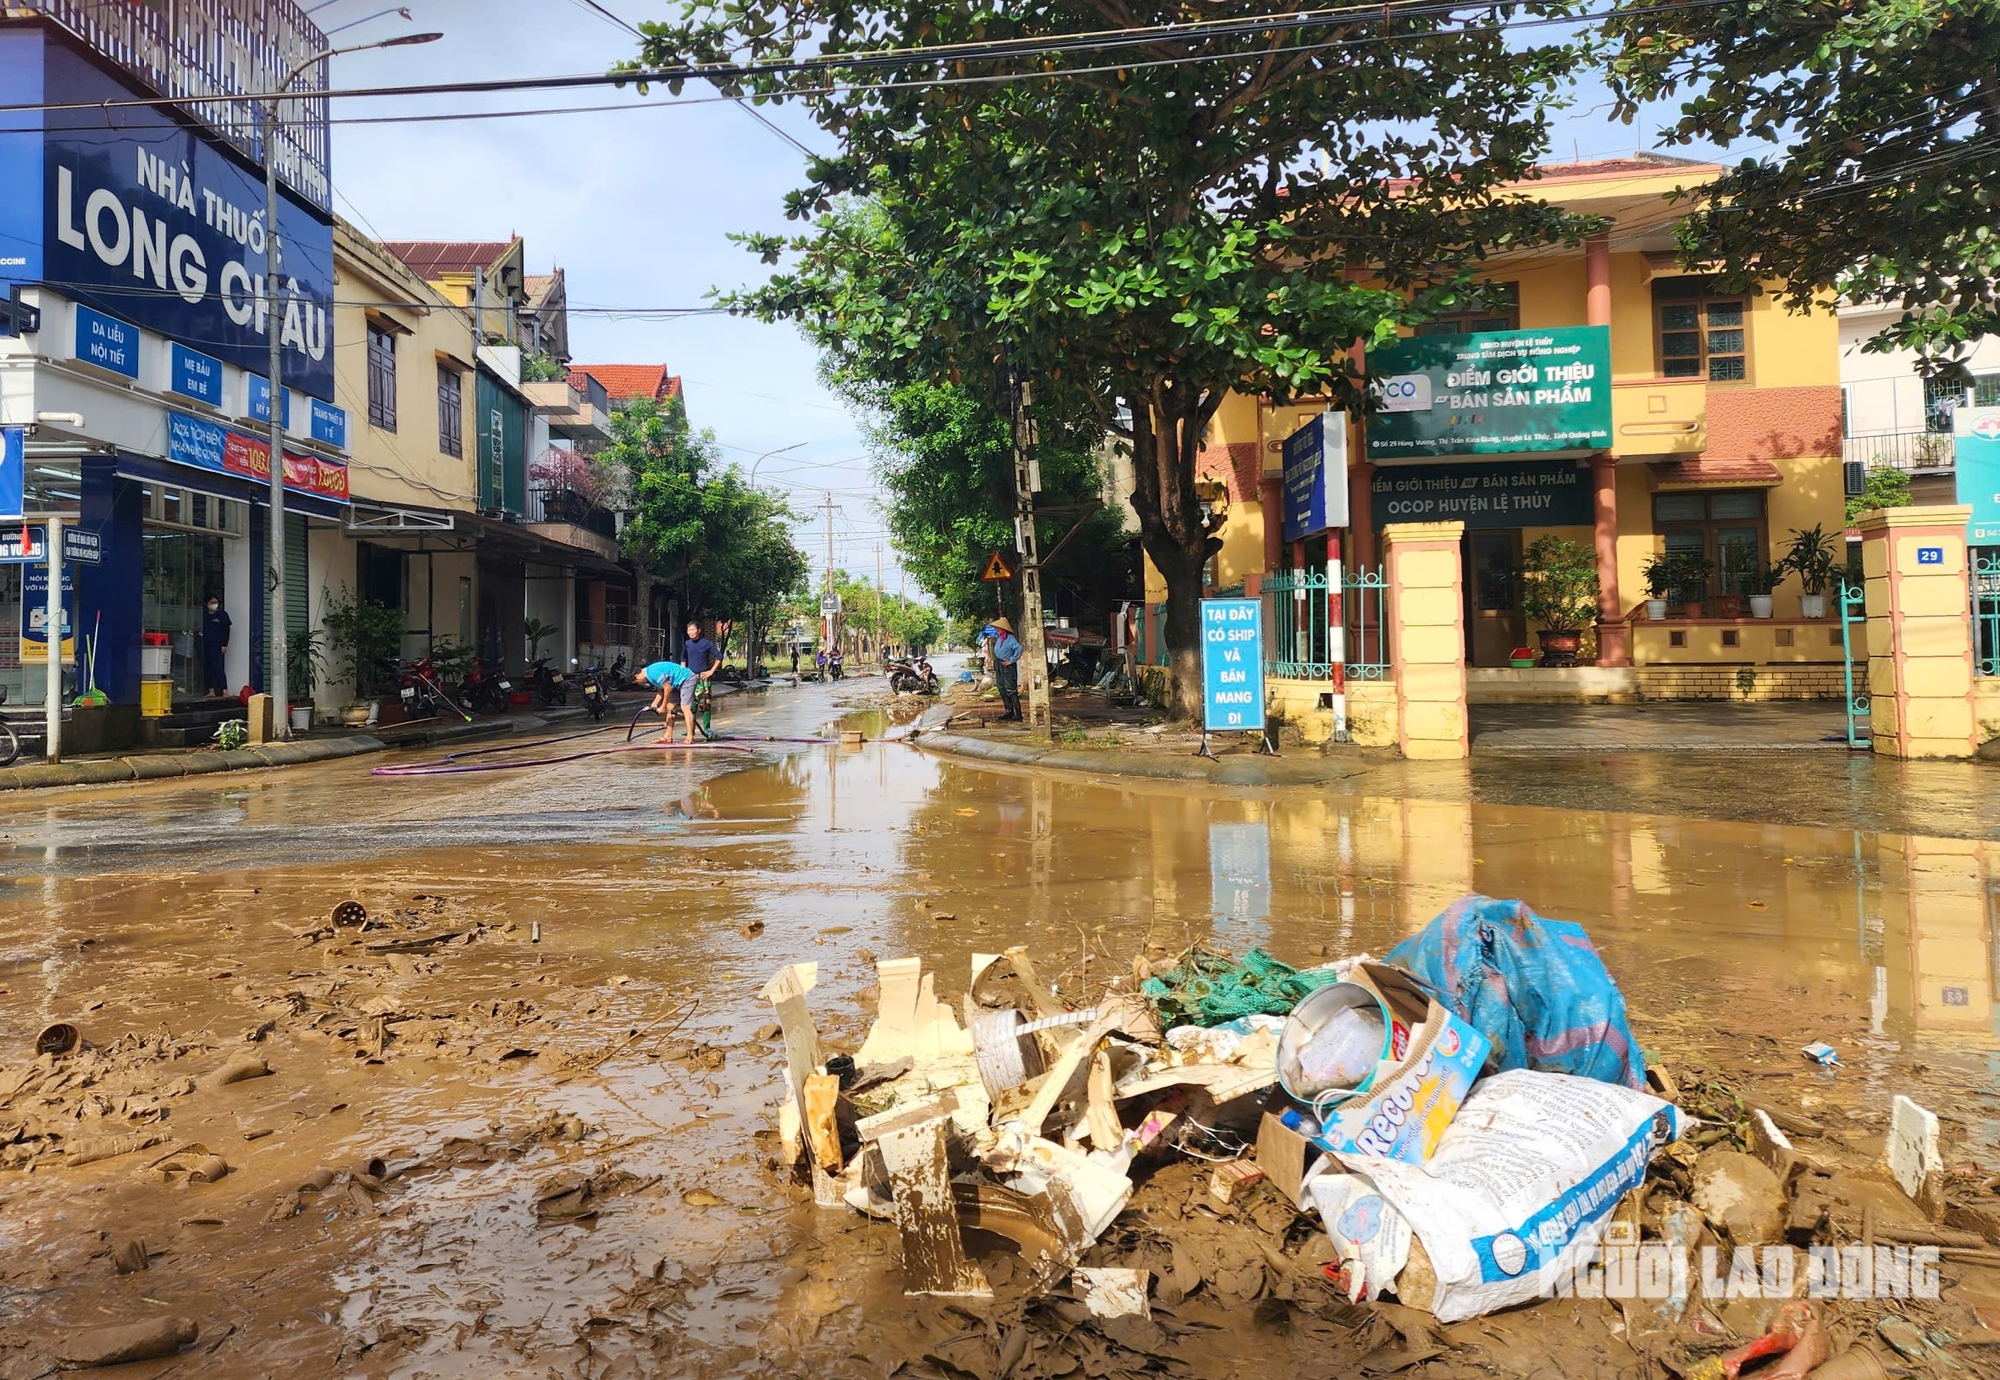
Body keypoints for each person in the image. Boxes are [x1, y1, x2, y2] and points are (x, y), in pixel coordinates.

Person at [635, 660, 699, 743]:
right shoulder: (649, 675)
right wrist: (655, 703)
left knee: (685, 708)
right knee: (670, 708)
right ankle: (668, 736)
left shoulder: (652, 673)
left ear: (637, 676)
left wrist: (663, 706)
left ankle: (690, 738)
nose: (639, 683)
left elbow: (667, 688)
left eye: (637, 682)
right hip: (676, 684)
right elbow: (661, 692)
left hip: (687, 679)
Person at [986, 616, 1023, 721]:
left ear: (1003, 629)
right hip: (999, 663)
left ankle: (1018, 714)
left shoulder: (1010, 638)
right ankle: (1008, 711)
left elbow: (1019, 649)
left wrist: (1011, 660)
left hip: (1007, 665)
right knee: (1001, 688)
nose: (996, 630)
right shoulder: (999, 637)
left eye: (998, 628)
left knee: (1010, 689)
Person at [200, 594, 230, 698]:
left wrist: (224, 644)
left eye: (215, 602)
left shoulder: (222, 615)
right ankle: (211, 690)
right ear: (207, 604)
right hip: (206, 645)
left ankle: (224, 690)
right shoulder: (204, 616)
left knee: (218, 668)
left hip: (217, 646)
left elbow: (226, 630)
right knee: (207, 668)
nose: (214, 605)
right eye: (211, 603)